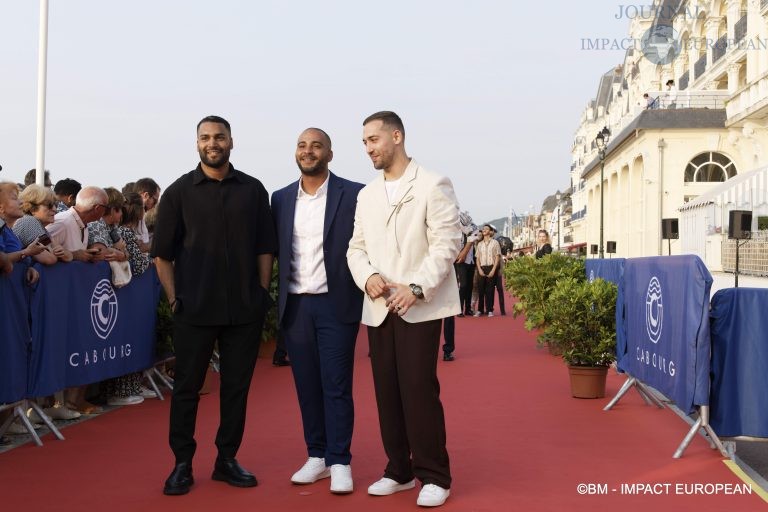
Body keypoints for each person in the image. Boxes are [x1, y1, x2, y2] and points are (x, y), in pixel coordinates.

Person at [152, 115, 277, 496]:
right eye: (205, 137)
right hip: (194, 308)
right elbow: (162, 255)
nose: (212, 143)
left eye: (219, 137)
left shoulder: (254, 191)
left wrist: (258, 290)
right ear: (197, 144)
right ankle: (182, 464)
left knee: (236, 389)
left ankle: (226, 460)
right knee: (187, 389)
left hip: (244, 310)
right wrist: (175, 298)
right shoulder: (177, 193)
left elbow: (264, 246)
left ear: (231, 141)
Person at [347, 111, 460, 508]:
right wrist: (368, 277)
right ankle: (398, 470)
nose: (368, 148)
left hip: (419, 306)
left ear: (397, 136)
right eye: (364, 142)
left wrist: (415, 287)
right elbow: (355, 248)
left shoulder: (432, 183)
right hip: (379, 306)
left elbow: (447, 243)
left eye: (374, 139)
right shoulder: (366, 194)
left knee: (418, 389)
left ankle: (434, 475)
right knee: (386, 391)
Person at [272, 127, 364, 494]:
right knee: (306, 385)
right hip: (295, 306)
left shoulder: (355, 194)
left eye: (316, 146)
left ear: (329, 153)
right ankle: (317, 456)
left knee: (337, 385)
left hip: (336, 303)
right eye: (301, 145)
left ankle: (340, 460)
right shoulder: (279, 199)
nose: (308, 151)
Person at [474, 224, 501, 317]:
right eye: (483, 229)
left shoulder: (495, 243)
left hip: (491, 267)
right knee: (481, 290)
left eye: (486, 229)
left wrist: (493, 270)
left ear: (490, 232)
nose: (484, 230)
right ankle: (480, 310)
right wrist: (479, 270)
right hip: (481, 268)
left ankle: (490, 310)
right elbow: (477, 258)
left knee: (490, 290)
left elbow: (497, 257)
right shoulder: (479, 244)